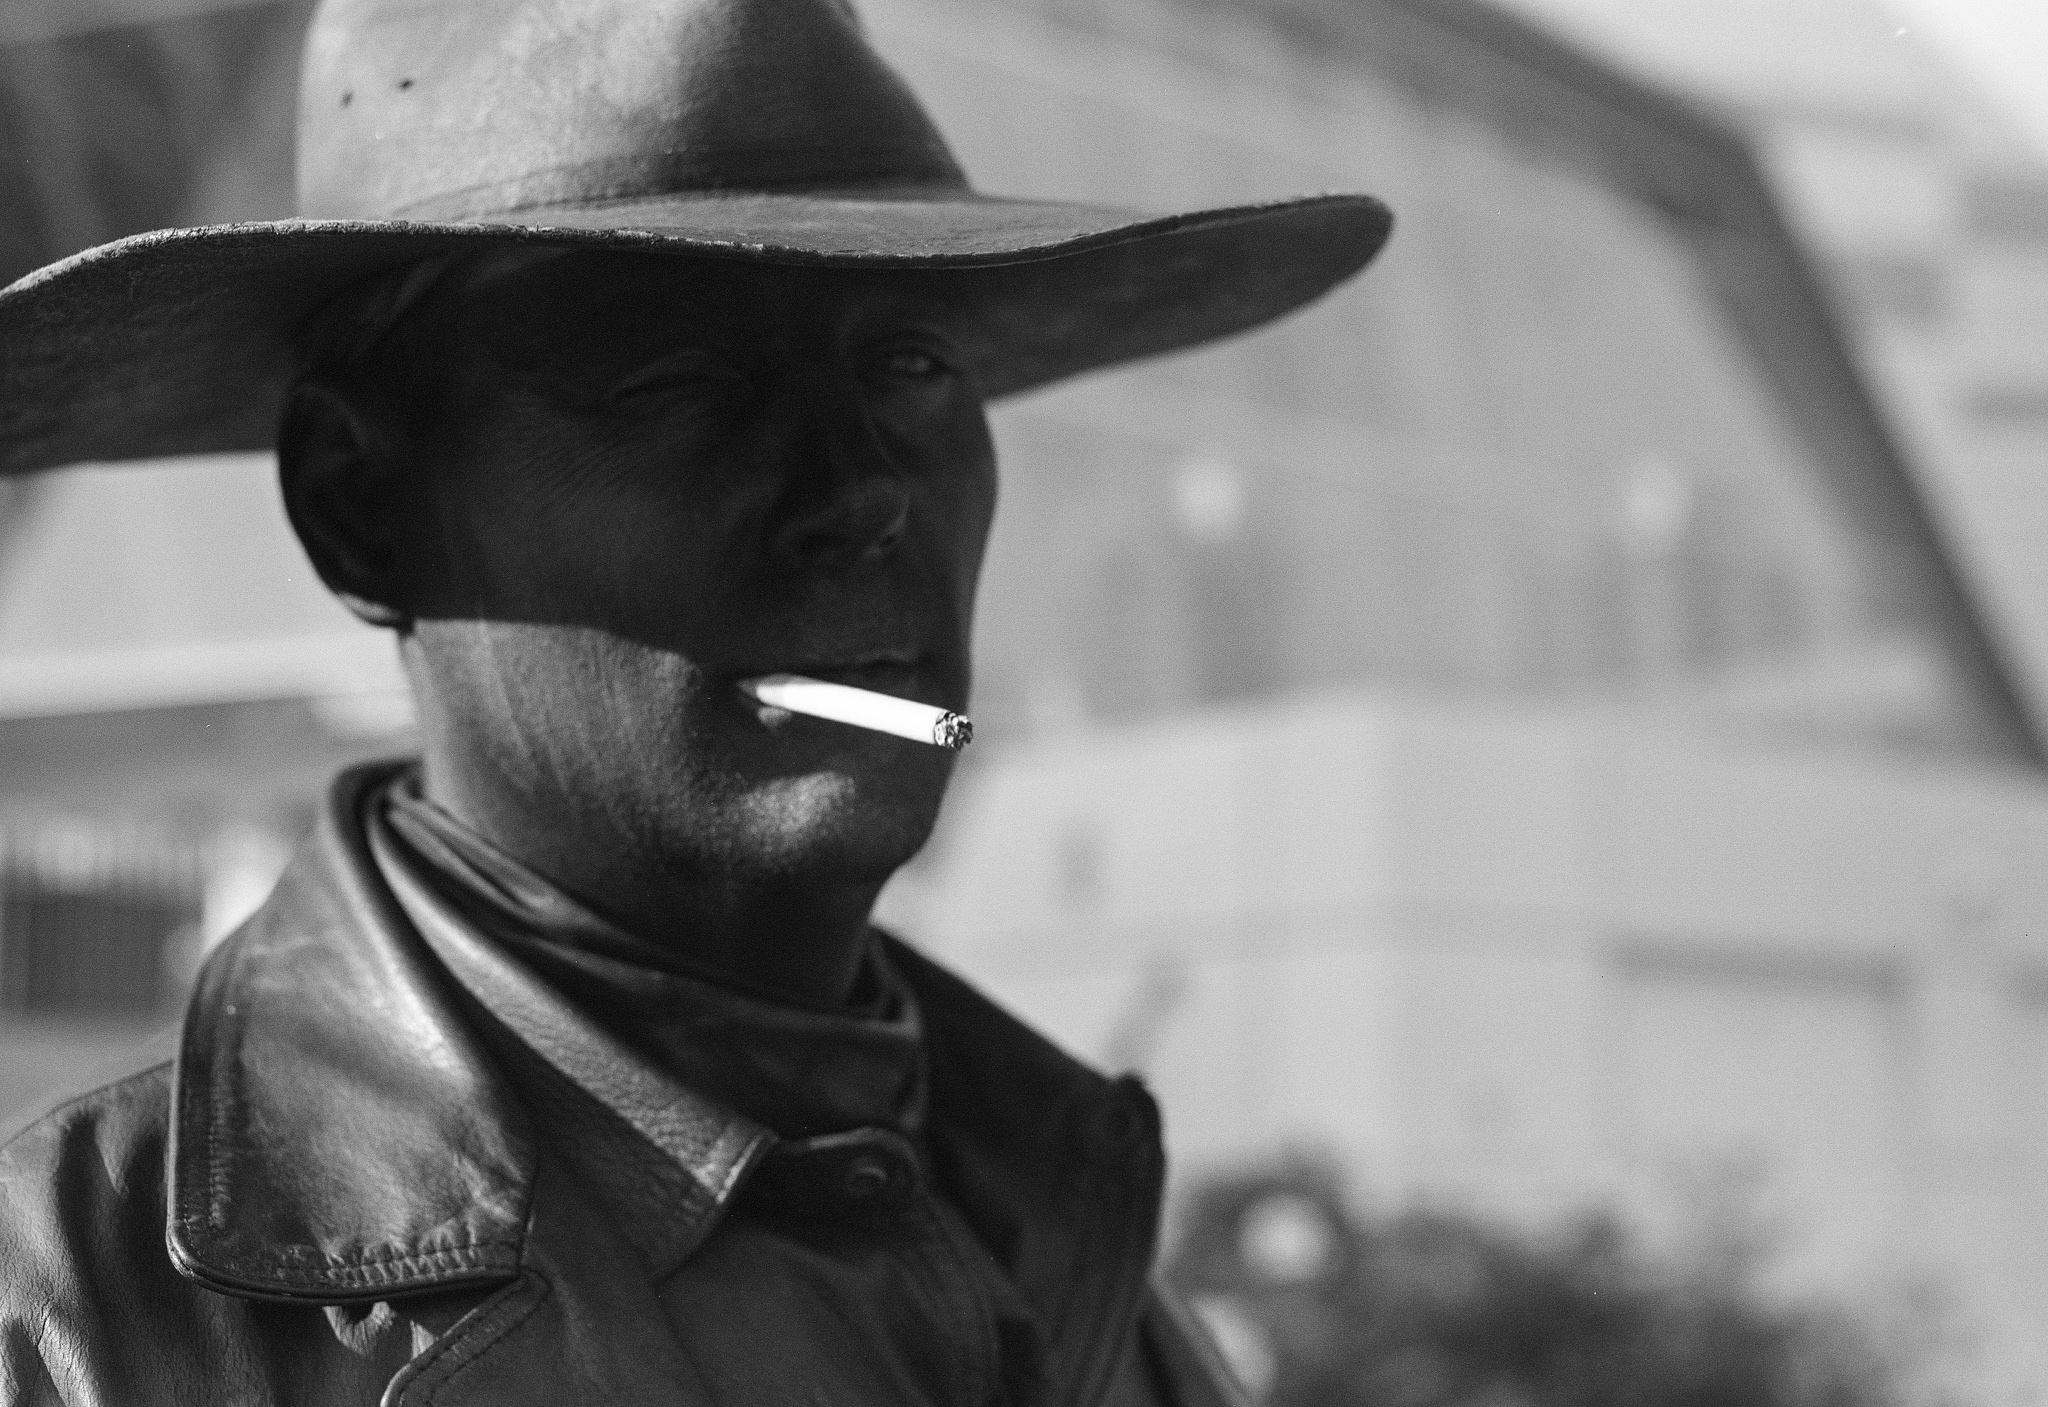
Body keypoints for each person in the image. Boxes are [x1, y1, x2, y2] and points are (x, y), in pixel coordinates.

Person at [0, 0, 1390, 1401]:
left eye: (910, 367)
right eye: (682, 382)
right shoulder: (77, 1331)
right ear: (358, 504)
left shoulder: (1090, 1284)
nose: (860, 494)